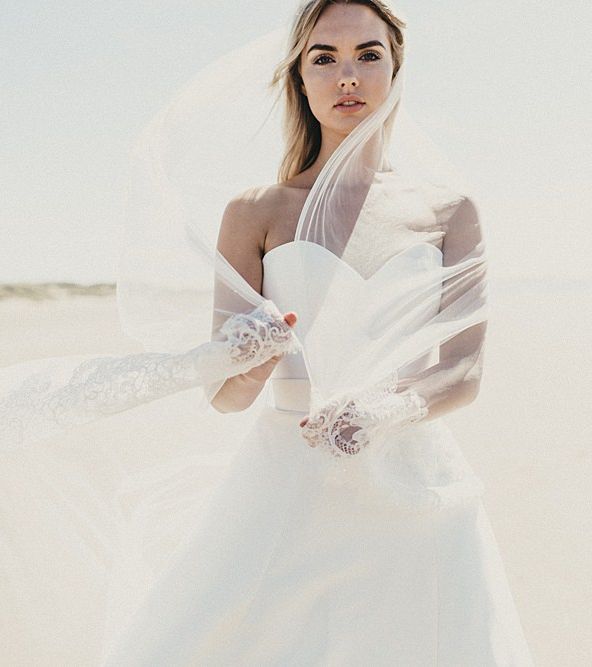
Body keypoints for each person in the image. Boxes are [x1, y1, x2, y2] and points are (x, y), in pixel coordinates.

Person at [1, 1, 535, 664]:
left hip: (414, 490)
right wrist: (248, 361)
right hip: (287, 480)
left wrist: (381, 410)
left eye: (368, 54)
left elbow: (461, 372)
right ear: (299, 79)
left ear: (395, 69)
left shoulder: (448, 211)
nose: (348, 76)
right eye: (325, 58)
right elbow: (226, 395)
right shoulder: (254, 211)